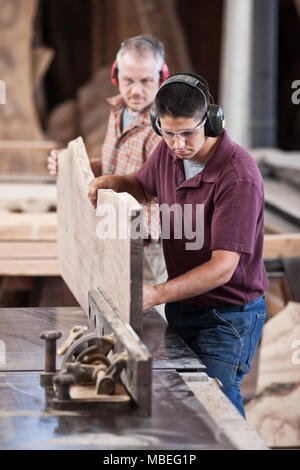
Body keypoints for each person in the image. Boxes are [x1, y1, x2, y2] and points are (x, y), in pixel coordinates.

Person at [87, 73, 269, 418]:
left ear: (211, 121)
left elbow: (222, 268)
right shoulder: (168, 153)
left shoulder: (238, 177)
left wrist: (155, 293)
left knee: (216, 409)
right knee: (188, 406)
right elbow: (142, 187)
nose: (179, 144)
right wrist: (113, 183)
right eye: (168, 133)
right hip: (185, 304)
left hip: (228, 315)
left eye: (188, 133)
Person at [47, 35, 169, 289]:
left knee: (148, 319)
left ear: (161, 77)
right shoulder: (118, 111)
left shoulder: (163, 128)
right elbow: (113, 166)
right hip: (113, 233)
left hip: (144, 243)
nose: (136, 91)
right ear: (116, 76)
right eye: (128, 80)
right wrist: (72, 166)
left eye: (146, 81)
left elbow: (153, 186)